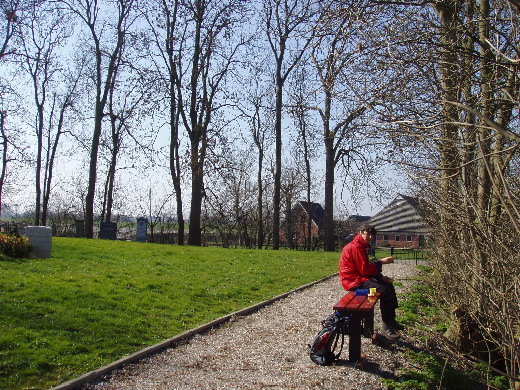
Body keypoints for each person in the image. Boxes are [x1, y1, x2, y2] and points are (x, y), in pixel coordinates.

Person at [339, 223, 404, 340]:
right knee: (384, 290)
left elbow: (365, 269)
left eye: (372, 235)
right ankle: (386, 326)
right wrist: (381, 262)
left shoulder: (361, 246)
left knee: (388, 286)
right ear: (361, 232)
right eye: (368, 234)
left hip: (359, 278)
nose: (370, 237)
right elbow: (364, 270)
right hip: (353, 282)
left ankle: (391, 320)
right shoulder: (356, 247)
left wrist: (380, 277)